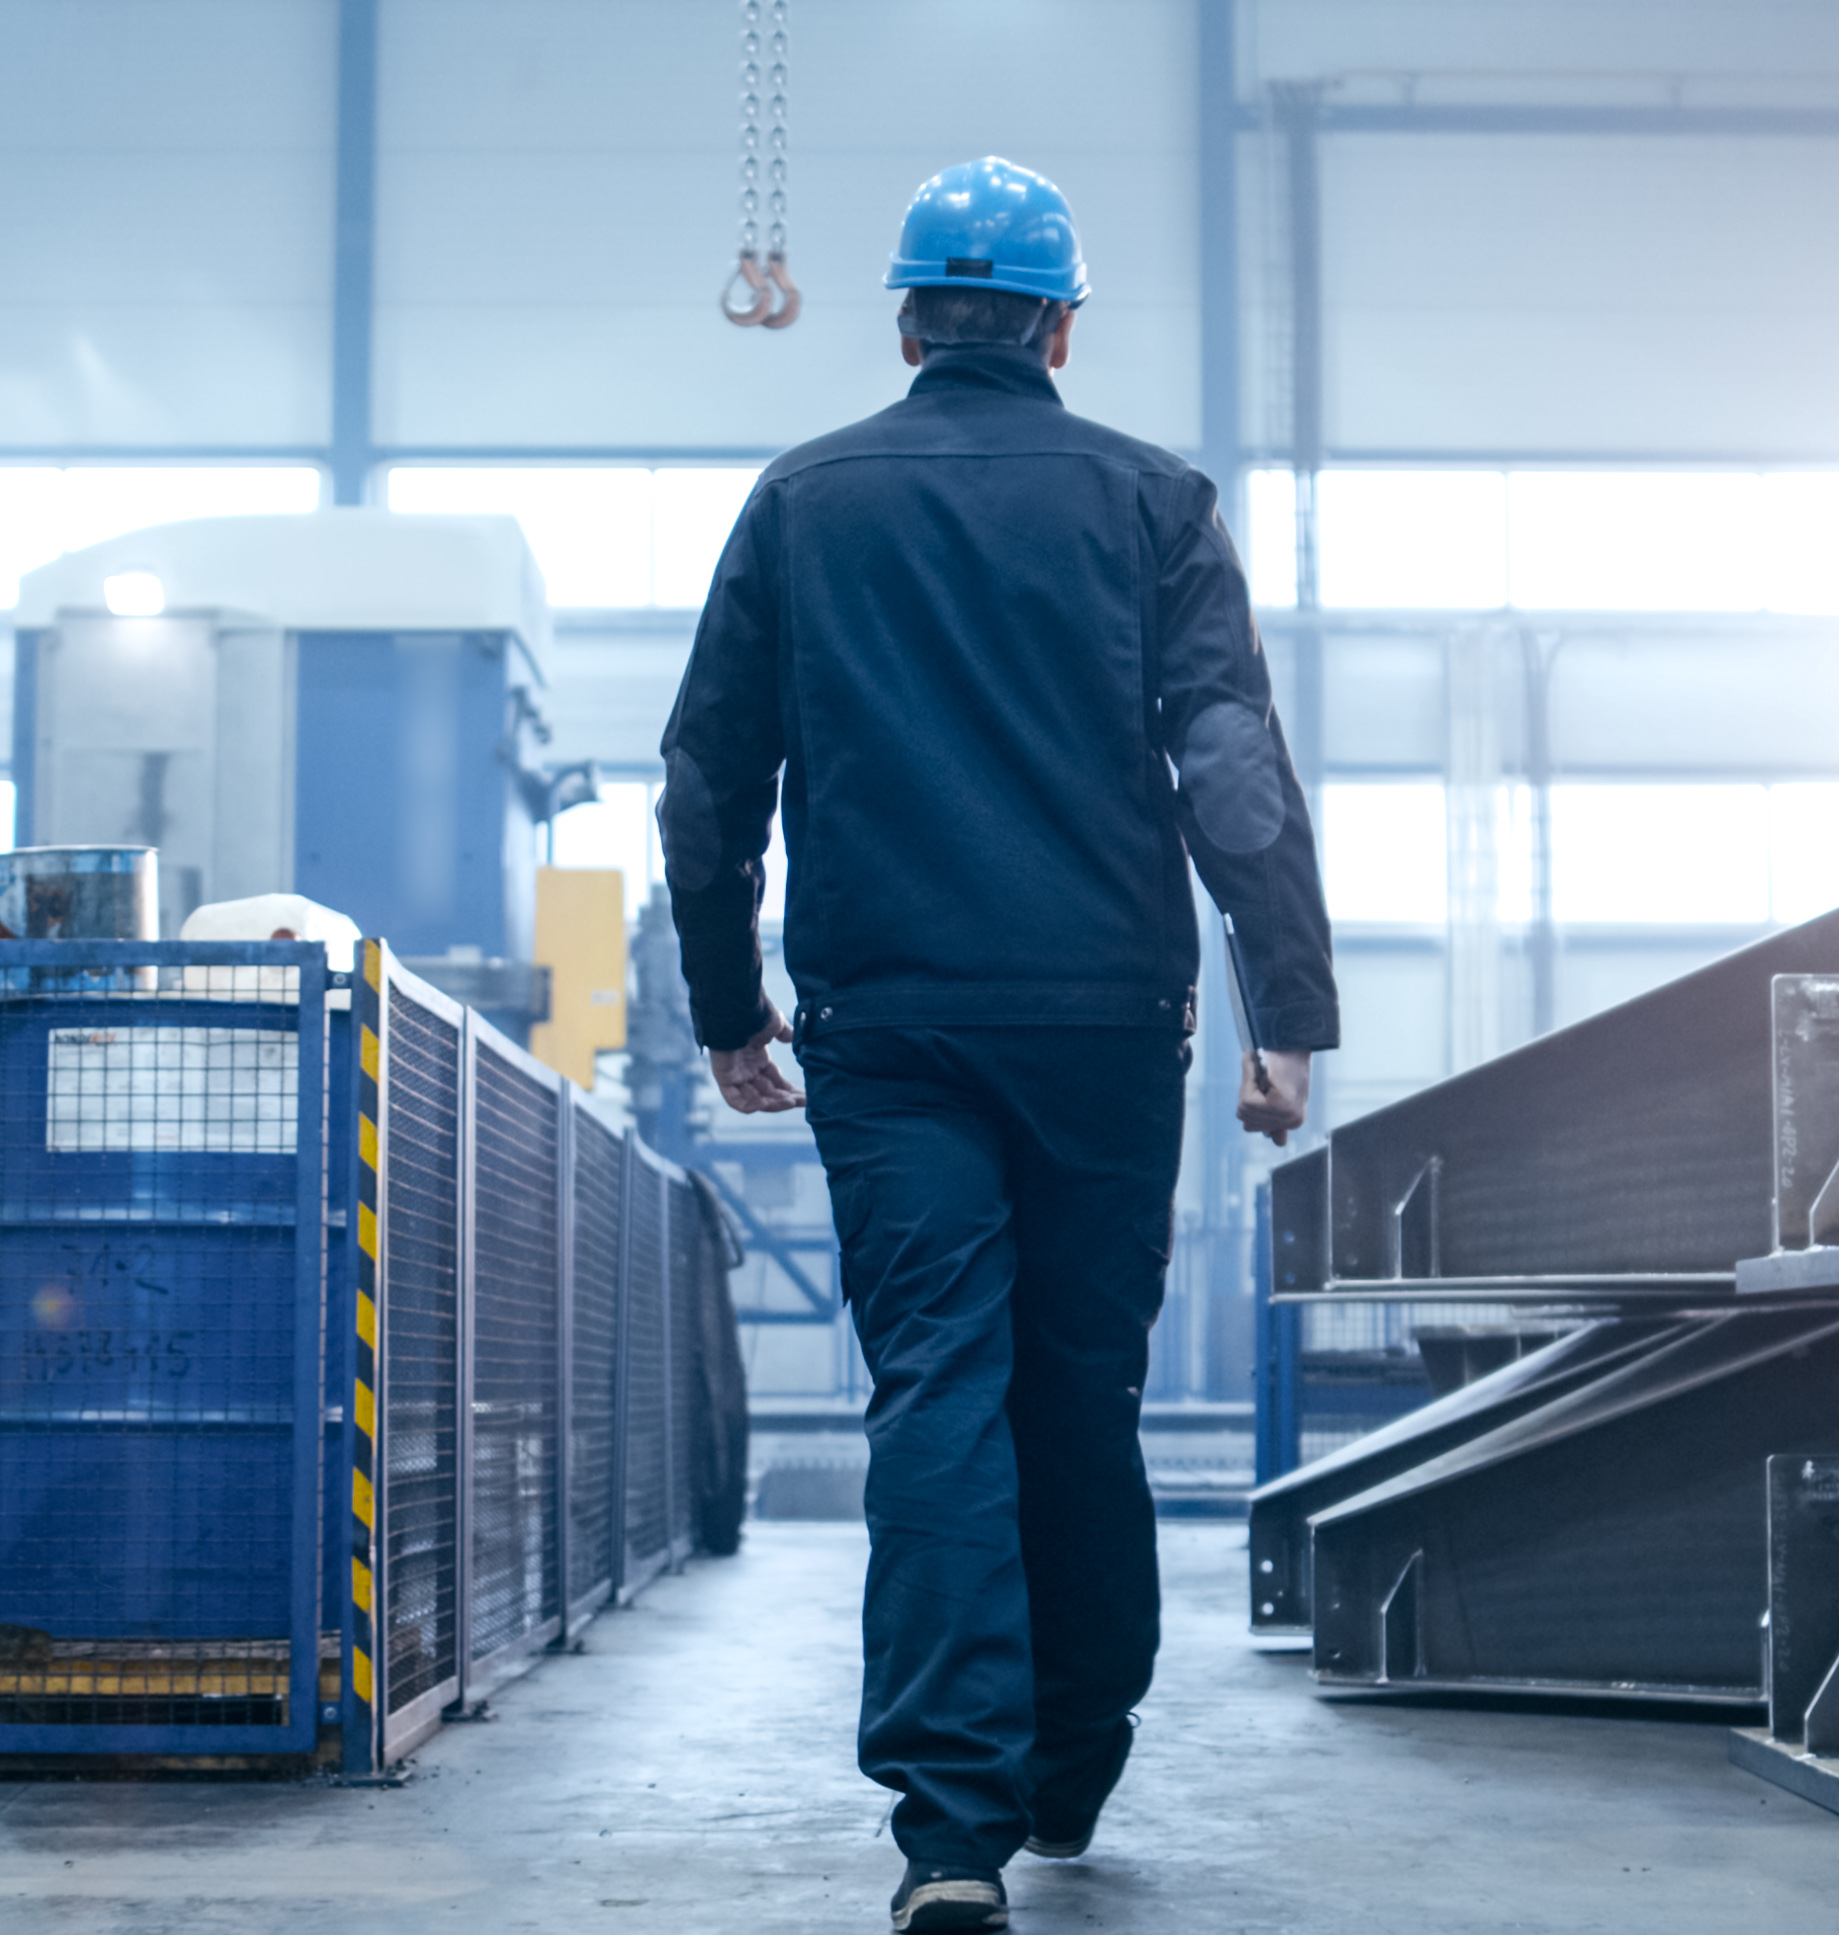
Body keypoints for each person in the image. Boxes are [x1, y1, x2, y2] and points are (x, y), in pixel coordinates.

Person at [657, 156, 1339, 1932]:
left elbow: (709, 777)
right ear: (1056, 324)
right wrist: (1289, 1012)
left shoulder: (805, 503)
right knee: (1075, 1393)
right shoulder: (1151, 503)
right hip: (1107, 1024)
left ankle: (949, 1835)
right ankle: (1069, 1762)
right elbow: (1233, 770)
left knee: (938, 1389)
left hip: (889, 1027)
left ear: (903, 320)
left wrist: (728, 1006)